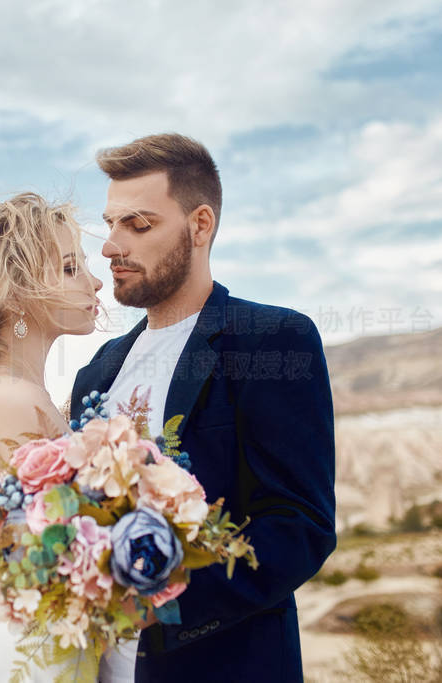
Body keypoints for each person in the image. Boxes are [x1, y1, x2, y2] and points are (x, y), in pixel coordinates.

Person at [70, 133, 337, 682]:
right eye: (110, 223)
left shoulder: (271, 341)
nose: (110, 247)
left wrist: (160, 606)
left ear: (200, 225)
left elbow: (299, 526)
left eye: (137, 225)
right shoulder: (96, 372)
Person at [0, 192, 139, 682]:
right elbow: (51, 545)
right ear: (16, 293)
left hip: (38, 638)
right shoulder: (10, 399)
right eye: (71, 268)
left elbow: (0, 520)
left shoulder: (17, 391)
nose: (94, 282)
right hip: (29, 653)